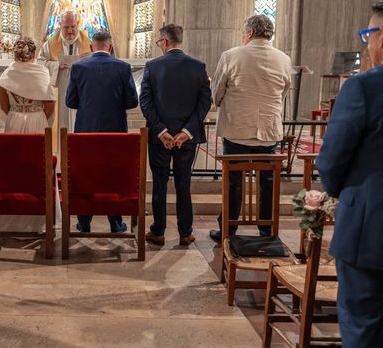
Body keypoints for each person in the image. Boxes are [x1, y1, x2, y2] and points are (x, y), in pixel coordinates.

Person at [316, 1, 383, 348]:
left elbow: (331, 160)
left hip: (370, 230)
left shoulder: (365, 88)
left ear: (382, 38)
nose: (366, 43)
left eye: (367, 35)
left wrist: (344, 194)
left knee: (362, 326)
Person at [209, 15, 291, 243]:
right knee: (267, 183)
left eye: (244, 33)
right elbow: (284, 91)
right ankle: (266, 231)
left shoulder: (231, 55)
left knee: (233, 182)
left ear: (250, 33)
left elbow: (216, 92)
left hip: (237, 130)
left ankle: (228, 229)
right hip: (268, 132)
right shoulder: (284, 59)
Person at [139, 24, 211, 247]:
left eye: (160, 43)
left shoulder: (152, 66)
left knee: (159, 183)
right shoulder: (198, 67)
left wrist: (161, 130)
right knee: (183, 183)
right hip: (186, 139)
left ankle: (158, 231)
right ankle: (185, 232)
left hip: (159, 138)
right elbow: (204, 103)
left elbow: (146, 102)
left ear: (165, 42)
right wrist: (186, 132)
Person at [65, 30, 138, 233]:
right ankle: (115, 222)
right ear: (110, 46)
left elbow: (70, 101)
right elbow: (132, 101)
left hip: (86, 131)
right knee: (113, 174)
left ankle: (84, 221)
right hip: (115, 132)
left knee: (86, 173)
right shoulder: (123, 68)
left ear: (91, 47)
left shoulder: (79, 67)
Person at [0, 36, 57, 232]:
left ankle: (11, 218)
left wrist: (14, 116)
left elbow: (2, 103)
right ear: (34, 54)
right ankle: (38, 219)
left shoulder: (8, 73)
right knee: (37, 166)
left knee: (12, 166)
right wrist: (37, 117)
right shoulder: (41, 71)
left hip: (15, 120)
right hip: (37, 119)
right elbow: (49, 104)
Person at [37, 10, 92, 132]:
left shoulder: (89, 44)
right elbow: (39, 63)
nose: (70, 31)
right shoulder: (49, 44)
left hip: (82, 91)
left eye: (73, 26)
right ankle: (61, 149)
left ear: (78, 23)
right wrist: (56, 65)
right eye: (66, 27)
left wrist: (89, 60)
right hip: (59, 90)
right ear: (59, 25)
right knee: (61, 121)